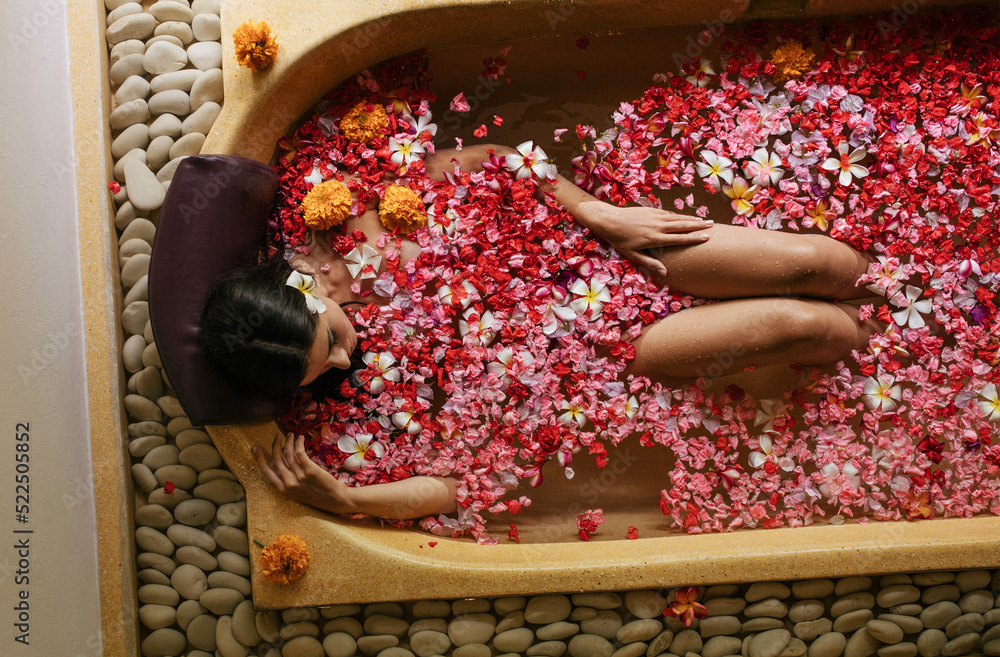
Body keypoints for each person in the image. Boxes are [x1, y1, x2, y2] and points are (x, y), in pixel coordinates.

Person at [199, 142, 882, 524]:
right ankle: (879, 347)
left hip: (599, 258)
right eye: (325, 368)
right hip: (606, 357)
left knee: (815, 260)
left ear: (305, 289)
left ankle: (910, 286)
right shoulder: (336, 412)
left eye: (333, 337)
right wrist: (347, 498)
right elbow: (453, 488)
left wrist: (601, 213)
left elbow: (486, 160)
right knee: (805, 325)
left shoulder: (350, 230)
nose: (348, 358)